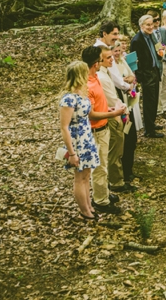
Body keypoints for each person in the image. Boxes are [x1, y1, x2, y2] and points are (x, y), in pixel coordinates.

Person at [82, 46, 126, 214]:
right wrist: (113, 113)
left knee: (104, 163)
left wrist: (108, 110)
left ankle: (104, 192)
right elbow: (91, 114)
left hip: (103, 127)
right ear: (95, 63)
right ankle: (101, 201)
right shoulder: (87, 84)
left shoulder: (96, 77)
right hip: (96, 130)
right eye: (101, 60)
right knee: (99, 167)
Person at [59, 61, 101, 221]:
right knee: (79, 176)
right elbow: (64, 127)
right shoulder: (68, 99)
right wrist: (72, 153)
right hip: (77, 141)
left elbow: (88, 115)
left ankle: (89, 206)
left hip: (87, 137)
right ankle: (84, 211)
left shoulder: (82, 95)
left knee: (87, 175)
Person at [96, 45, 134, 194]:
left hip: (116, 111)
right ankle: (116, 182)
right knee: (115, 150)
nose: (112, 60)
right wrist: (123, 109)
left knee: (118, 148)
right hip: (113, 115)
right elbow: (111, 98)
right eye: (108, 58)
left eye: (112, 56)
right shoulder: (102, 77)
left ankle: (117, 179)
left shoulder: (106, 73)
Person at [130, 15, 165, 138]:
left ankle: (152, 122)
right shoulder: (136, 40)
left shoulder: (152, 36)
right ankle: (149, 130)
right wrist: (141, 77)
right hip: (146, 74)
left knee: (154, 99)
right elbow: (135, 61)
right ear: (141, 26)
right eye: (148, 25)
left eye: (152, 24)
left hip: (154, 71)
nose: (151, 27)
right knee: (149, 101)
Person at [112, 40, 140, 186]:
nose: (117, 53)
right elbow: (118, 82)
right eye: (115, 51)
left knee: (132, 137)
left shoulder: (123, 61)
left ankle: (129, 169)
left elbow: (131, 77)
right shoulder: (110, 66)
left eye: (119, 50)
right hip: (120, 104)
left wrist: (129, 81)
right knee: (124, 138)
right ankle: (123, 172)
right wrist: (125, 82)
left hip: (129, 101)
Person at [94, 21, 133, 93]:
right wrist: (128, 87)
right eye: (114, 34)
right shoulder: (100, 50)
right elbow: (114, 75)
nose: (117, 37)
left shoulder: (105, 47)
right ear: (105, 34)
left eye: (118, 34)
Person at [147, 9, 166, 116]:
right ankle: (158, 108)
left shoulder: (163, 31)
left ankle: (164, 106)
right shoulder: (149, 33)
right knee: (159, 85)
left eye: (158, 19)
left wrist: (165, 48)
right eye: (155, 20)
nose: (157, 22)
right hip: (156, 63)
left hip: (165, 60)